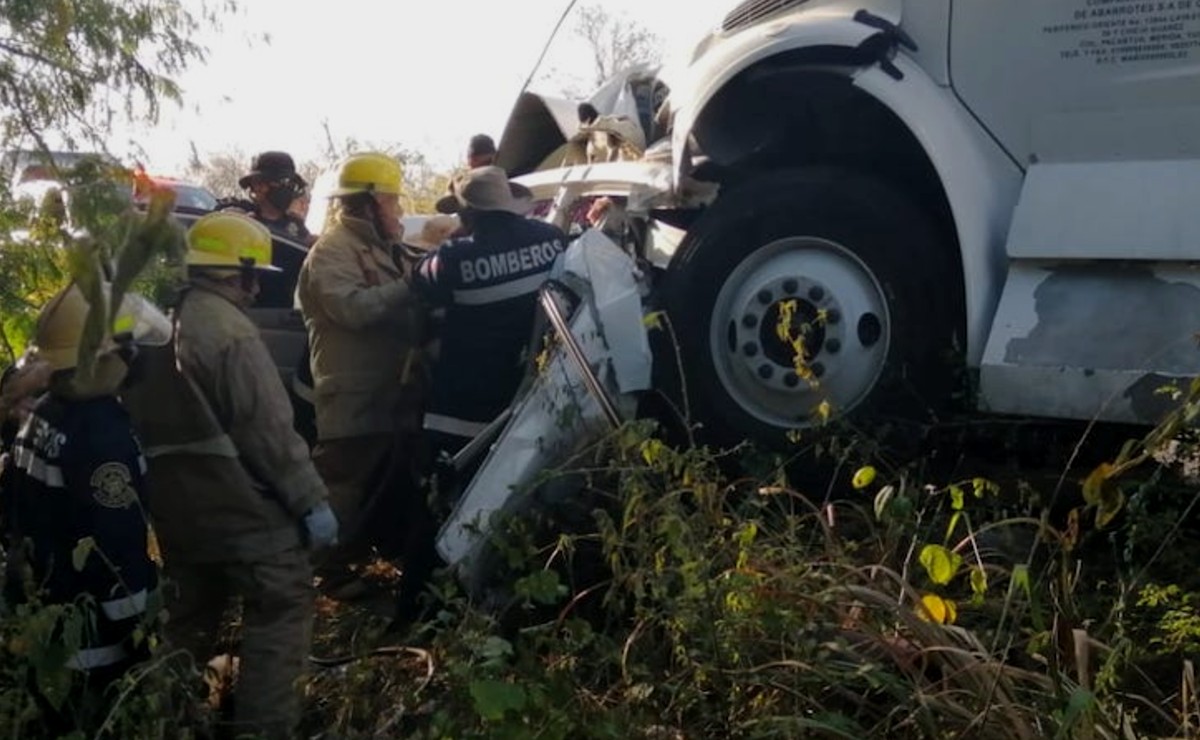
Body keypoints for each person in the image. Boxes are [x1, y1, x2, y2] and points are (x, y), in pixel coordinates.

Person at [121, 212, 337, 740]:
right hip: (241, 510)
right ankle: (262, 731)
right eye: (252, 274)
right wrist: (311, 501)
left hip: (180, 512)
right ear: (234, 272)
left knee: (188, 618)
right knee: (282, 605)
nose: (257, 285)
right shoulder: (230, 332)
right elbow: (268, 431)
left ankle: (158, 721)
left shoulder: (160, 323)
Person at [394, 165, 567, 623]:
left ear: (467, 215)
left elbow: (418, 280)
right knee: (514, 507)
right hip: (526, 408)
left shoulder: (452, 258)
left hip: (459, 412)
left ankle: (416, 613)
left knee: (435, 508)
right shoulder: (551, 239)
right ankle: (504, 609)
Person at [1, 283, 169, 730]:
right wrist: (140, 632)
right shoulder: (102, 435)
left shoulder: (45, 413)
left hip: (41, 617)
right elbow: (117, 549)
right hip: (91, 644)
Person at [296, 152, 428, 597]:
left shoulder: (380, 248)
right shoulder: (331, 252)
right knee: (341, 485)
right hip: (352, 394)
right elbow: (353, 309)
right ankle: (319, 570)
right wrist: (414, 284)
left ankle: (357, 556)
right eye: (392, 202)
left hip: (388, 391)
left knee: (378, 482)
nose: (399, 211)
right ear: (368, 204)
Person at [220, 150, 314, 246]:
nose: (287, 188)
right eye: (282, 182)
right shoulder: (239, 214)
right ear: (256, 186)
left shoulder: (296, 227)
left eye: (290, 183)